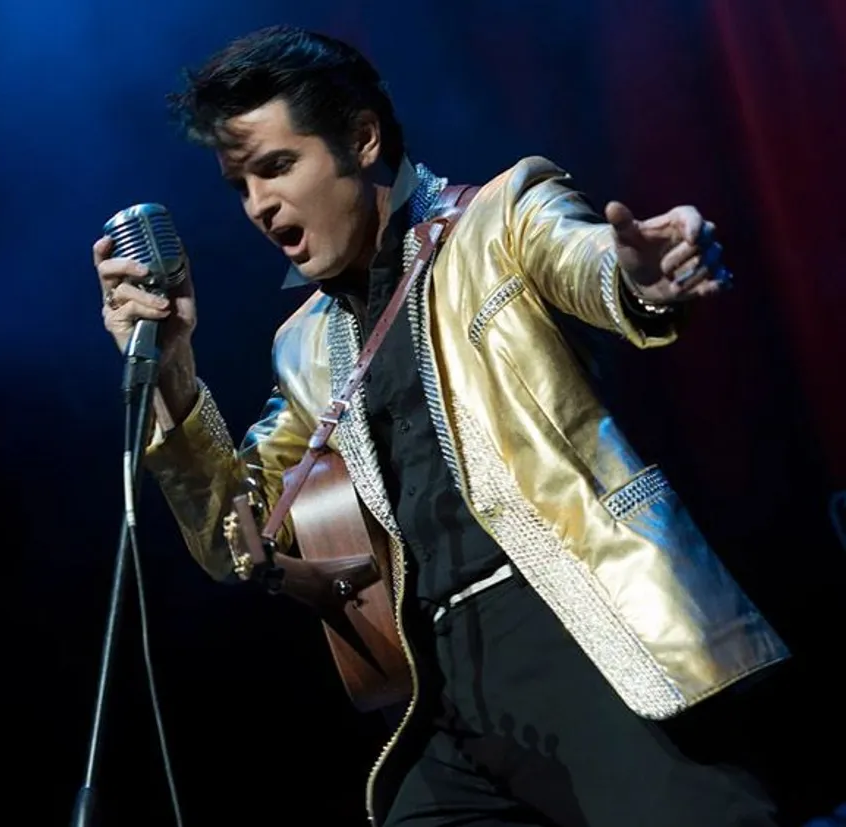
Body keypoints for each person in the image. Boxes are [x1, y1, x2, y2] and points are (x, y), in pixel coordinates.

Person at [94, 24, 790, 827]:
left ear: (361, 138)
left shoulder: (499, 217)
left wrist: (642, 275)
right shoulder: (306, 345)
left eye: (277, 166)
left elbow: (589, 259)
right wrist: (173, 368)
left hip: (587, 635)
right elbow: (230, 533)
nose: (258, 205)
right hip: (445, 698)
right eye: (239, 185)